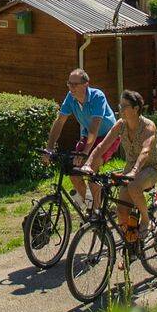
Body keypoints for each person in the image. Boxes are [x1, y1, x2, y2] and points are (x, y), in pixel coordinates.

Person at [82, 89, 157, 241]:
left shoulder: (148, 126)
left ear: (136, 109)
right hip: (132, 167)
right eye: (120, 106)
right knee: (121, 210)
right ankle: (130, 242)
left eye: (124, 106)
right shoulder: (120, 125)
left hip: (152, 166)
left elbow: (145, 152)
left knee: (134, 187)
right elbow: (101, 147)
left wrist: (134, 171)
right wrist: (88, 164)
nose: (120, 109)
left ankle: (146, 220)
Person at [45, 68, 119, 211]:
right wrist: (49, 147)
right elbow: (60, 121)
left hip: (108, 137)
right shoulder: (70, 98)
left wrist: (86, 152)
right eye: (69, 84)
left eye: (75, 84)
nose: (71, 88)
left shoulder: (98, 96)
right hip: (89, 137)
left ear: (86, 84)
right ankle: (92, 207)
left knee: (90, 169)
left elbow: (95, 126)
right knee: (74, 173)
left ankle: (96, 213)